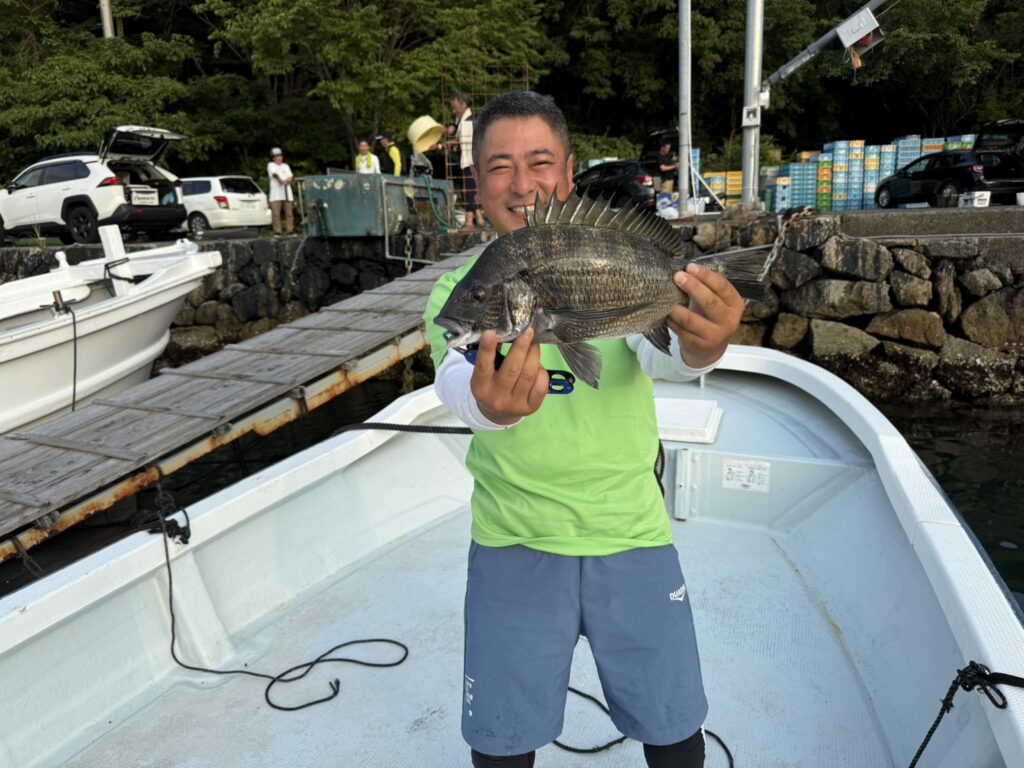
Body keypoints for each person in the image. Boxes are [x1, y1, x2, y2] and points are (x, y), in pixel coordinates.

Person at [422, 91, 744, 768]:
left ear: (567, 174)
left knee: (675, 730)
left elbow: (669, 354)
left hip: (632, 532)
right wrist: (494, 406)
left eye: (538, 162)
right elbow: (456, 385)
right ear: (477, 184)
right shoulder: (456, 291)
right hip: (512, 540)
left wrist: (706, 345)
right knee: (502, 743)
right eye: (499, 166)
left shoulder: (606, 259)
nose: (521, 182)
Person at [449, 93, 485, 229]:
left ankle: (469, 221)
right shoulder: (467, 121)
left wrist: (444, 145)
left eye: (455, 108)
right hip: (472, 160)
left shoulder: (467, 123)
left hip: (469, 160)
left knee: (469, 190)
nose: (454, 111)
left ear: (463, 105)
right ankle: (479, 218)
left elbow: (460, 140)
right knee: (471, 189)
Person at [266, 147, 294, 235]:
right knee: (276, 214)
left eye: (280, 156)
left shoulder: (286, 166)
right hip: (275, 194)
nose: (279, 158)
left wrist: (287, 181)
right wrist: (281, 181)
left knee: (289, 213)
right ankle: (277, 232)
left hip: (287, 193)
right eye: (277, 156)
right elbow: (274, 174)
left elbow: (290, 176)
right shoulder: (270, 165)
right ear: (273, 158)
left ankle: (290, 230)